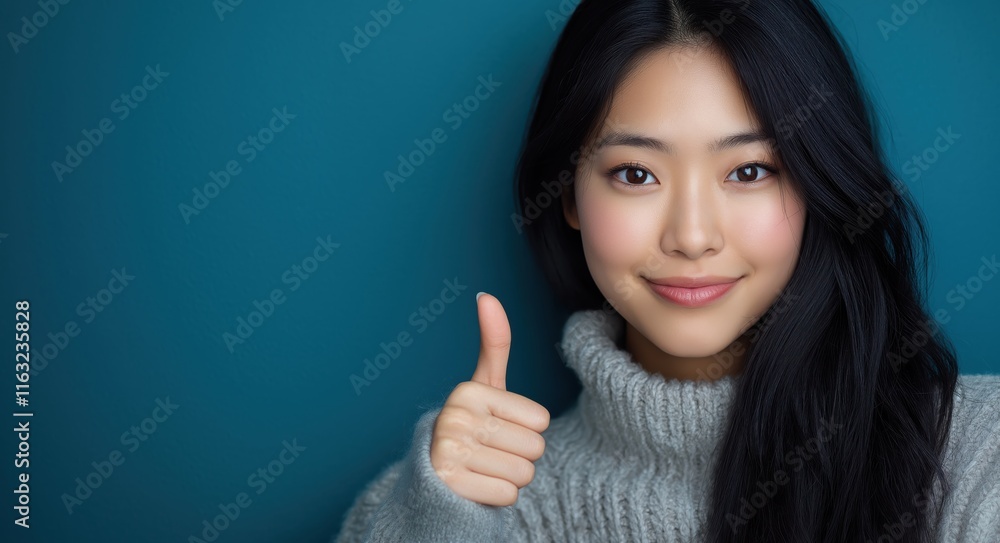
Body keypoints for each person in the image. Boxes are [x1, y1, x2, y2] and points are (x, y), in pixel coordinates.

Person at [334, 0, 1000, 541]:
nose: (691, 236)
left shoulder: (973, 452)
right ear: (567, 193)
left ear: (817, 183)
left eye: (749, 171)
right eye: (635, 173)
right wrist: (439, 521)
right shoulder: (469, 503)